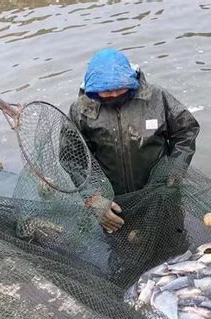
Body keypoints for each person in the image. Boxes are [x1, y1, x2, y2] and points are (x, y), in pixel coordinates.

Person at [67, 48, 200, 282]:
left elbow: (186, 131)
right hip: (115, 200)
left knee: (172, 246)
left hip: (160, 191)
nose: (115, 93)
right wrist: (93, 197)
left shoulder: (157, 98)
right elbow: (73, 157)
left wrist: (174, 172)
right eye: (106, 91)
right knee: (125, 251)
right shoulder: (80, 110)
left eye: (120, 87)